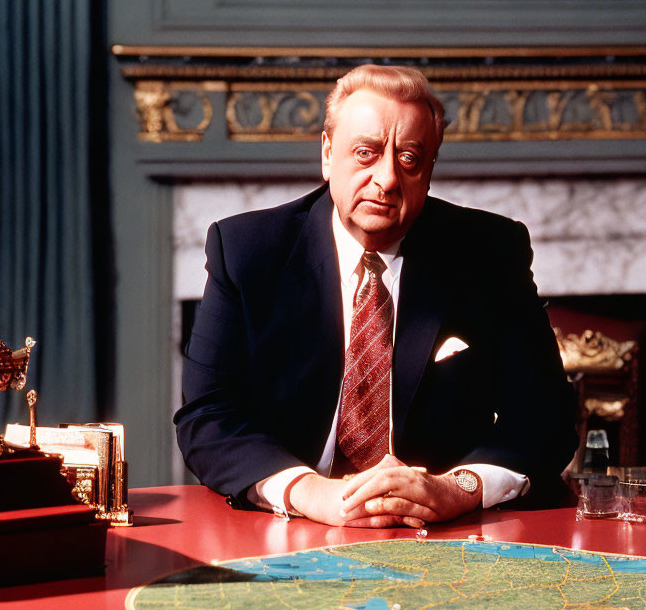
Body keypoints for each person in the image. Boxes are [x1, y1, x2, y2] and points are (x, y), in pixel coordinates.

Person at [175, 64, 576, 528]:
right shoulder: (247, 252)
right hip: (294, 528)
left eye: (408, 159)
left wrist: (458, 488)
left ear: (428, 172)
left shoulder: (490, 253)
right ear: (327, 154)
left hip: (444, 534)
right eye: (365, 153)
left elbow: (547, 416)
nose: (386, 179)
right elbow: (207, 418)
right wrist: (309, 492)